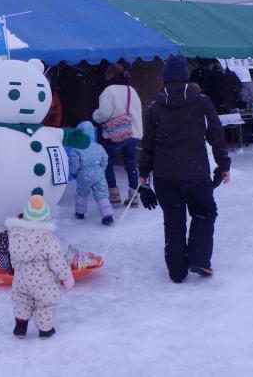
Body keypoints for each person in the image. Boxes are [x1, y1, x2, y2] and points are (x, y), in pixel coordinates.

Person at [138, 55, 231, 283]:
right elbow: (216, 134)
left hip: (164, 175)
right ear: (185, 77)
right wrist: (223, 164)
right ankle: (199, 259)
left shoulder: (154, 106)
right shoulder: (201, 101)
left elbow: (147, 143)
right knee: (204, 212)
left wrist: (143, 176)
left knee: (173, 219)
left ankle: (176, 271)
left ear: (166, 78)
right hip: (194, 172)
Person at [7, 195, 74, 339]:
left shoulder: (15, 236)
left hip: (21, 281)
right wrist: (66, 277)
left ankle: (20, 327)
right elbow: (57, 262)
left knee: (23, 302)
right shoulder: (49, 240)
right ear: (46, 218)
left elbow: (13, 258)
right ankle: (45, 330)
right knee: (46, 305)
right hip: (44, 284)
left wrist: (15, 269)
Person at [92, 63, 143, 206]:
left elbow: (103, 114)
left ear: (110, 76)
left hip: (116, 135)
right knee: (131, 165)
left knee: (107, 163)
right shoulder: (131, 90)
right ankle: (133, 197)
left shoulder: (109, 91)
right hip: (132, 134)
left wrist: (95, 115)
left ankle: (114, 196)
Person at [70, 121, 114, 225]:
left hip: (84, 174)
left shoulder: (76, 148)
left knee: (82, 193)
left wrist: (74, 172)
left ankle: (80, 213)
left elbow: (75, 163)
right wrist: (101, 169)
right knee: (102, 194)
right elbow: (105, 159)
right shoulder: (98, 147)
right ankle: (107, 215)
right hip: (98, 173)